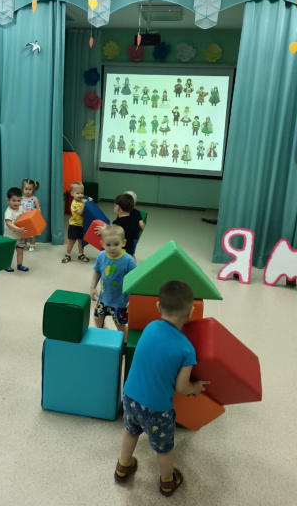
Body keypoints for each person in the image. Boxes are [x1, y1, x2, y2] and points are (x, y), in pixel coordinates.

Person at [114, 280, 210, 496]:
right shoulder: (187, 349)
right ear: (191, 311)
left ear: (158, 306)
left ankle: (122, 467)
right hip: (157, 410)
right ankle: (167, 481)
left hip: (129, 397)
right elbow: (182, 387)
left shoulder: (150, 327)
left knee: (130, 432)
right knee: (164, 448)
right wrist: (196, 386)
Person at [90, 225, 136, 341]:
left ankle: (124, 343)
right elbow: (97, 272)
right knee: (97, 318)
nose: (112, 248)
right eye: (108, 245)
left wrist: (132, 299)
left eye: (116, 244)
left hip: (120, 302)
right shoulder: (101, 256)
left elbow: (135, 280)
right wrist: (92, 287)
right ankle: (103, 333)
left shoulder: (128, 260)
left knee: (120, 325)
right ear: (102, 244)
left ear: (123, 243)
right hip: (103, 298)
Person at [61, 182, 90, 263]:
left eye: (82, 193)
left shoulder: (83, 201)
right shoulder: (74, 204)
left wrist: (90, 200)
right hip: (74, 225)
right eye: (77, 193)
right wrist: (84, 205)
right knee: (72, 241)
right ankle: (67, 255)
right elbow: (80, 213)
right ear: (72, 194)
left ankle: (81, 254)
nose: (80, 195)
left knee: (81, 241)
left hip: (82, 225)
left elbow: (88, 203)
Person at [3, 187, 29, 272]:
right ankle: (7, 265)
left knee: (20, 251)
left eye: (18, 200)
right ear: (8, 200)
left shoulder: (21, 209)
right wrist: (19, 229)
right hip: (10, 237)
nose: (16, 203)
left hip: (19, 236)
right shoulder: (9, 211)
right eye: (13, 200)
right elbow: (9, 223)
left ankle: (20, 265)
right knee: (9, 252)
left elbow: (25, 218)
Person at [21, 178, 41, 251]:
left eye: (30, 189)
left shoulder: (34, 199)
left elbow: (38, 209)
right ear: (22, 189)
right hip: (23, 219)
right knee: (24, 233)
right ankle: (24, 244)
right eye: (26, 189)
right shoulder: (21, 198)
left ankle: (32, 245)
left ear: (33, 190)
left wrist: (38, 217)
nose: (27, 191)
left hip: (32, 220)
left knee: (32, 234)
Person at [125, 191, 145, 255]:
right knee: (132, 253)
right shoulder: (137, 212)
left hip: (124, 238)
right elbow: (142, 226)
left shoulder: (122, 212)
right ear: (134, 202)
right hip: (134, 238)